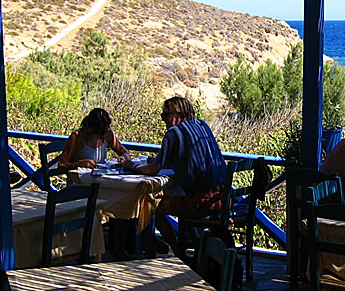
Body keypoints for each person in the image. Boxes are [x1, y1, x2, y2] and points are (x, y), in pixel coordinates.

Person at [123, 96, 227, 258]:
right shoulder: (202, 125)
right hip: (223, 198)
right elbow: (185, 159)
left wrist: (132, 165)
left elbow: (153, 170)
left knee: (151, 206)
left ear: (178, 115)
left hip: (202, 202)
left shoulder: (174, 133)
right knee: (179, 195)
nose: (163, 119)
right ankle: (196, 242)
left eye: (166, 115)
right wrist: (157, 162)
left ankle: (179, 252)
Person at [59, 108, 130, 169]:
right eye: (97, 133)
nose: (100, 137)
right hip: (78, 180)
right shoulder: (77, 137)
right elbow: (61, 166)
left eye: (103, 133)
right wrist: (78, 164)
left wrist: (123, 158)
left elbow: (125, 153)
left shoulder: (108, 134)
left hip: (100, 177)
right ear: (89, 127)